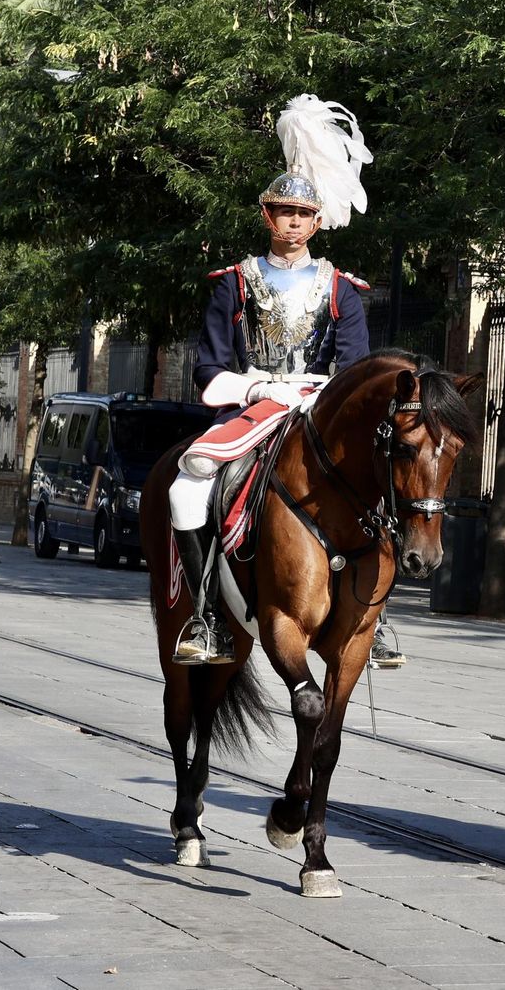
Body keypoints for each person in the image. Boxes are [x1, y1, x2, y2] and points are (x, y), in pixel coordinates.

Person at [168, 95, 405, 668]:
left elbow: (354, 367)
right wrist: (253, 390)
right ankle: (205, 613)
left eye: (303, 213)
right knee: (187, 487)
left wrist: (315, 393)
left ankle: (376, 621)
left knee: (382, 485)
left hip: (316, 407)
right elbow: (209, 366)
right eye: (283, 211)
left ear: (318, 221)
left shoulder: (340, 288)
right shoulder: (235, 282)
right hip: (252, 404)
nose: (293, 222)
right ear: (267, 216)